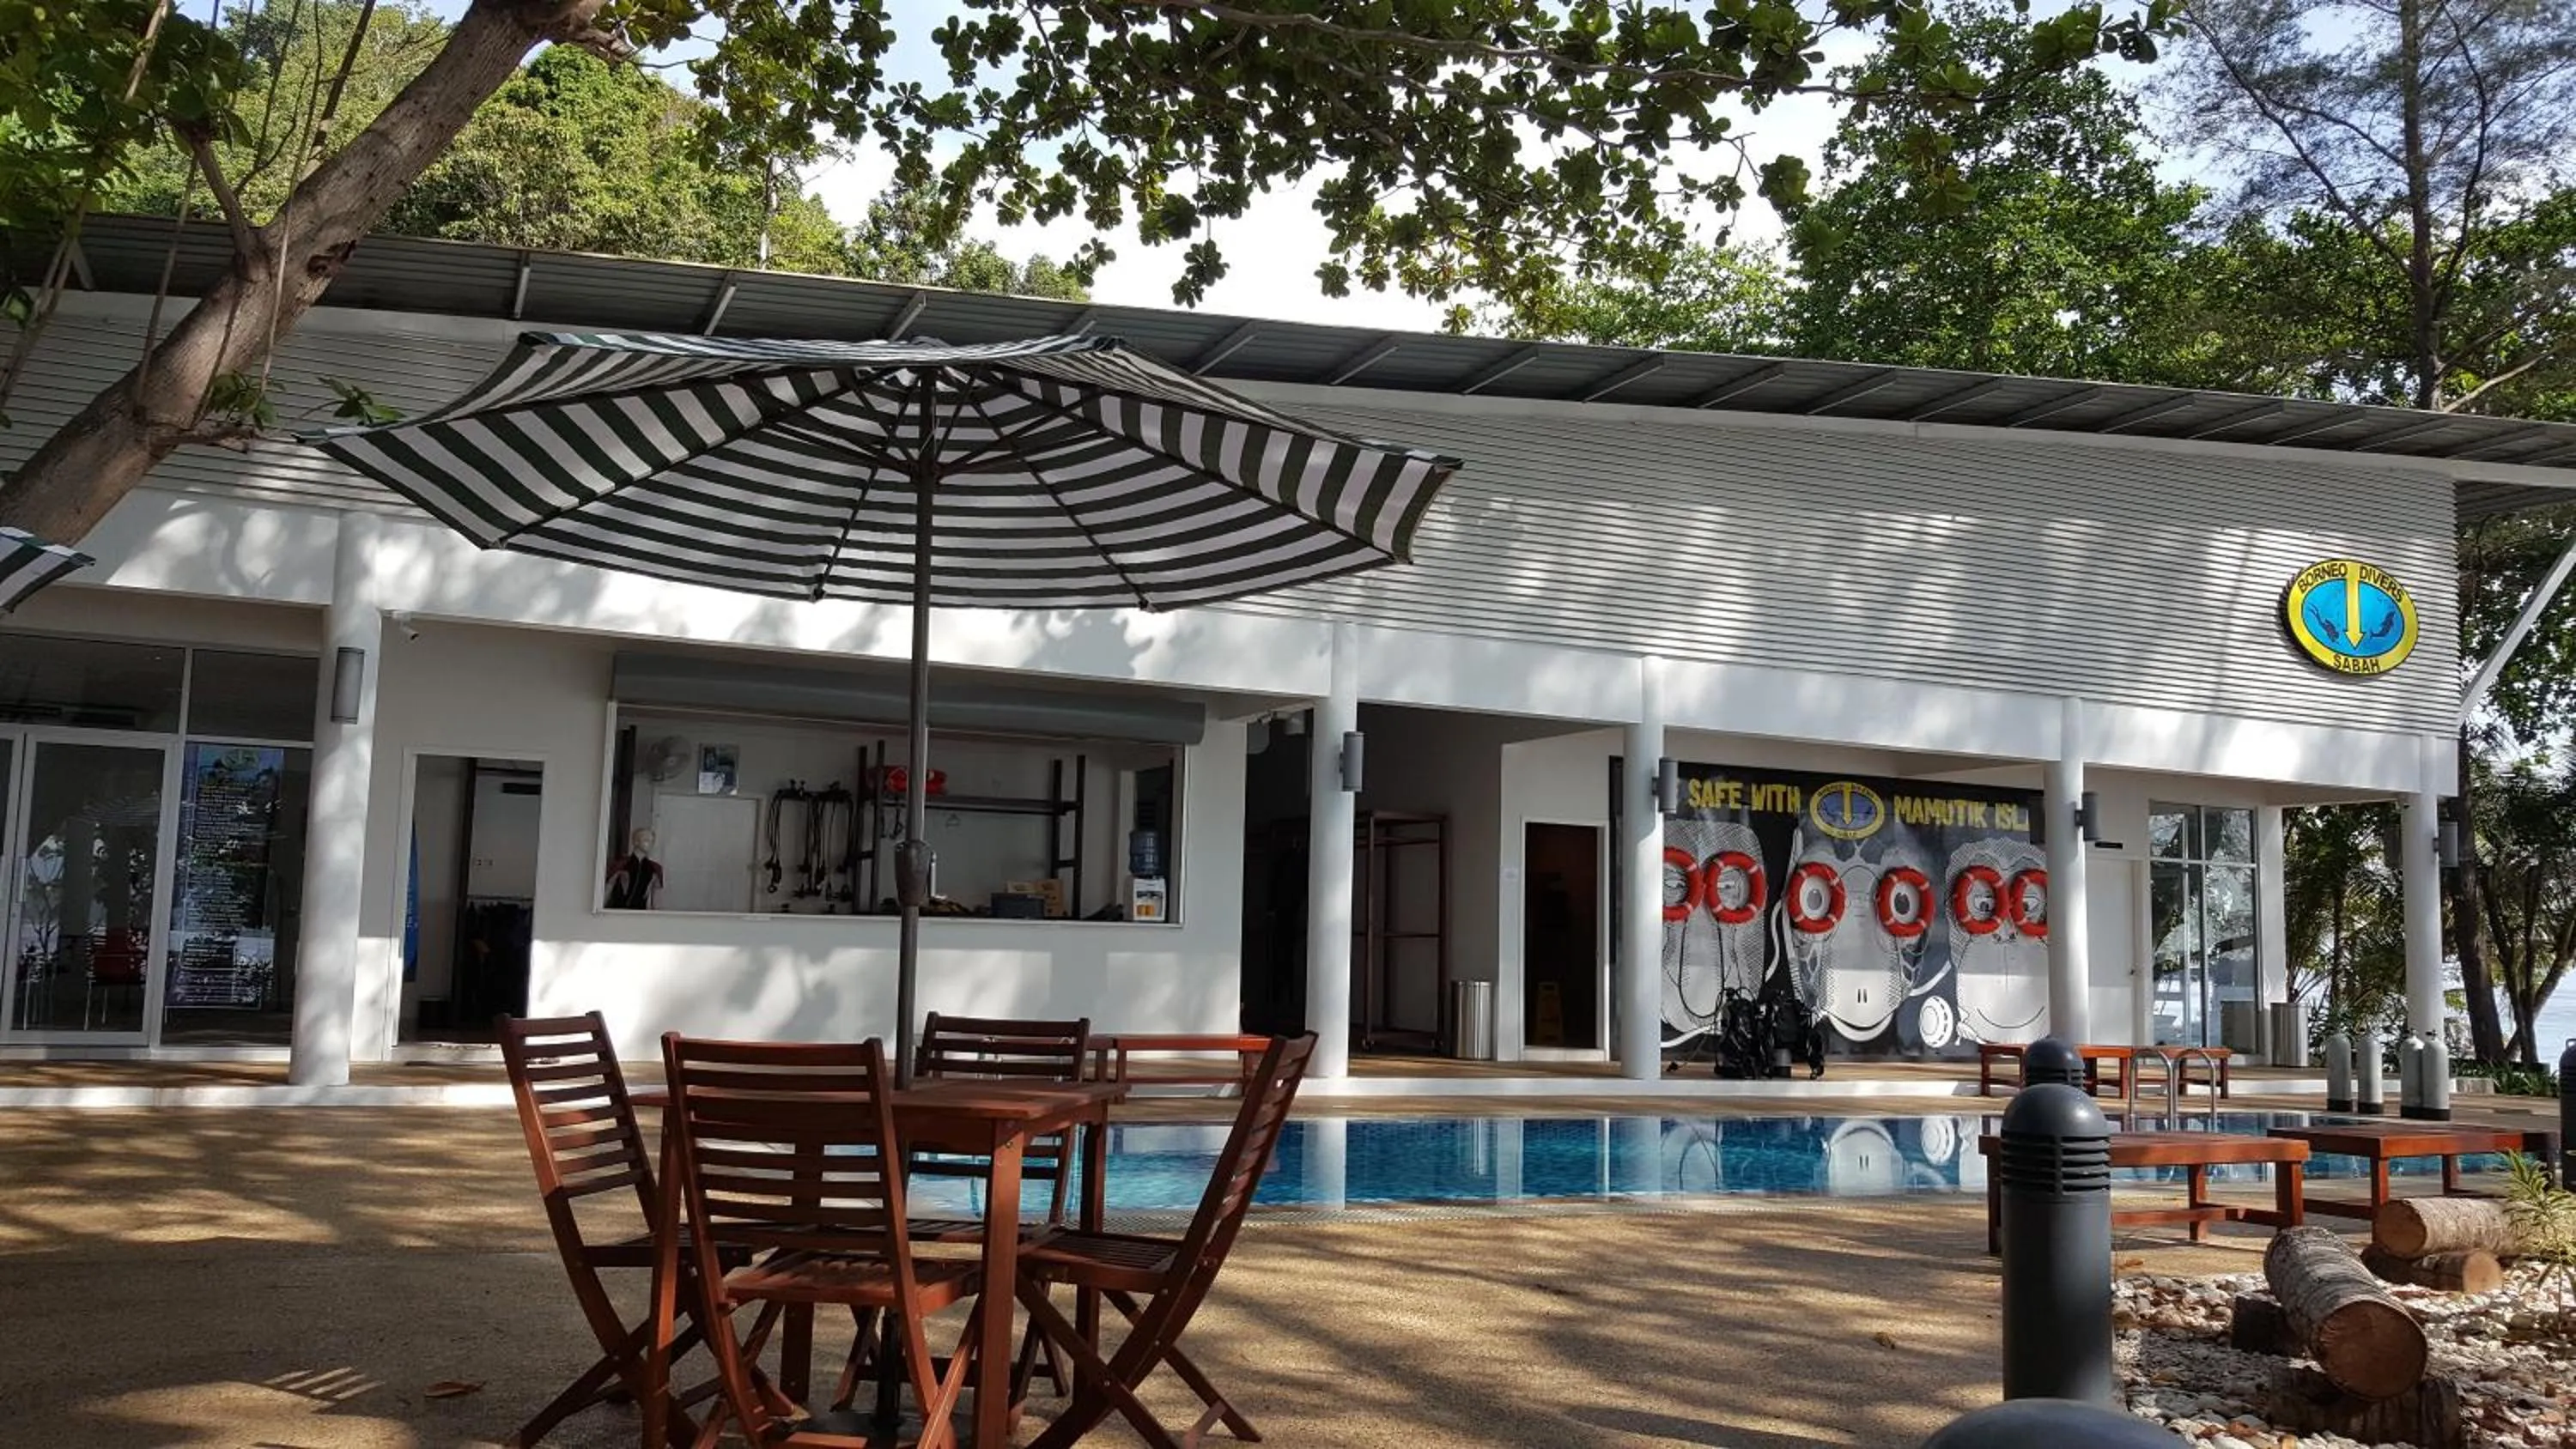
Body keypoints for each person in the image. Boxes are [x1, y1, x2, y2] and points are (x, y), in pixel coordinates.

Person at [605, 828, 664, 910]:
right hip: (617, 912)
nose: (650, 844)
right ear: (636, 842)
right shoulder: (621, 865)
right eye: (646, 840)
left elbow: (656, 901)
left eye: (652, 841)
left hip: (640, 914)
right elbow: (608, 890)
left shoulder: (655, 868)